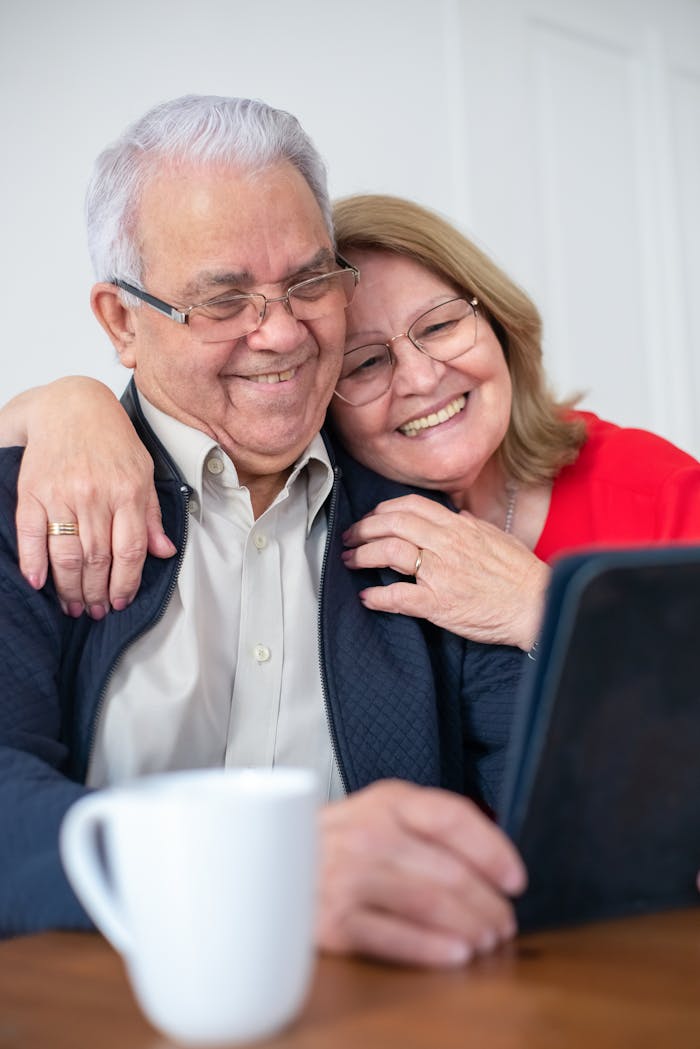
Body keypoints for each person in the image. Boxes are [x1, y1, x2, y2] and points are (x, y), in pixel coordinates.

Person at [0, 95, 528, 965]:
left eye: (311, 282)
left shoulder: (432, 535)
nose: (280, 330)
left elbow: (540, 817)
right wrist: (269, 870)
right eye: (224, 299)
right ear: (123, 321)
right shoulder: (27, 507)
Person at [8, 196, 700, 652]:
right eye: (366, 363)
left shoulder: (651, 485)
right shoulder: (314, 515)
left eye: (441, 324)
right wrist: (69, 403)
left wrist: (543, 609)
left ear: (497, 319)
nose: (422, 377)